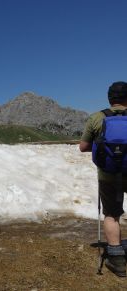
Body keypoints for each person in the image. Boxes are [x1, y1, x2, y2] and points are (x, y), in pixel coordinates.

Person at [80, 81, 127, 277]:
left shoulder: (97, 117)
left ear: (109, 99)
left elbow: (83, 146)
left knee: (111, 214)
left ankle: (117, 261)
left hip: (108, 175)